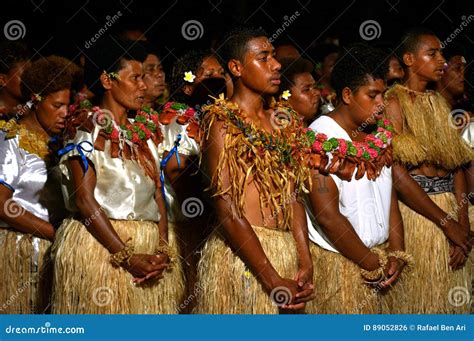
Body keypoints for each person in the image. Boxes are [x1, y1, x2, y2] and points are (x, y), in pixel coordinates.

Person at [51, 37, 184, 314]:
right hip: (103, 249)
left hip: (148, 247)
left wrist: (162, 249)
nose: (144, 86)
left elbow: (158, 193)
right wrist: (126, 256)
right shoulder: (87, 129)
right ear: (108, 81)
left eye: (144, 78)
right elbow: (85, 201)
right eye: (135, 78)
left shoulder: (145, 133)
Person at [193, 27, 314, 314]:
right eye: (264, 58)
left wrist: (305, 258)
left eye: (273, 56)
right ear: (236, 67)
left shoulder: (284, 120)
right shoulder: (220, 123)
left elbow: (294, 195)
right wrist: (271, 279)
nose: (276, 65)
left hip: (286, 253)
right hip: (244, 263)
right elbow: (226, 208)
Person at [304, 44, 409, 314]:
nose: (381, 104)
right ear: (348, 95)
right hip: (345, 267)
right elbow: (327, 215)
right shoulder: (320, 137)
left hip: (383, 259)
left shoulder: (379, 134)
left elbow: (390, 197)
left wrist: (396, 252)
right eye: (372, 95)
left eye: (382, 95)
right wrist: (372, 264)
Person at [385, 28, 473, 313]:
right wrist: (447, 224)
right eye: (432, 53)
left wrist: (464, 227)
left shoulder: (439, 104)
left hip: (451, 212)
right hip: (418, 218)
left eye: (442, 54)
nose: (441, 61)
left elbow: (456, 165)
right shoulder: (392, 103)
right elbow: (396, 175)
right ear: (409, 59)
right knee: (420, 308)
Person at [0, 55, 81, 313]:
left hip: (56, 254)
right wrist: (54, 234)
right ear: (35, 101)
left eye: (68, 106)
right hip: (22, 251)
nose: (64, 113)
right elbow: (1, 205)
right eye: (57, 105)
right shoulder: (10, 140)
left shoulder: (63, 144)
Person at [277, 57, 321, 125]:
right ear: (284, 100)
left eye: (315, 87)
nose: (317, 92)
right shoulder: (279, 132)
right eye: (306, 90)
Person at [0, 41, 30, 117]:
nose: (31, 80)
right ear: (3, 80)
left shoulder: (38, 111)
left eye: (32, 74)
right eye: (24, 76)